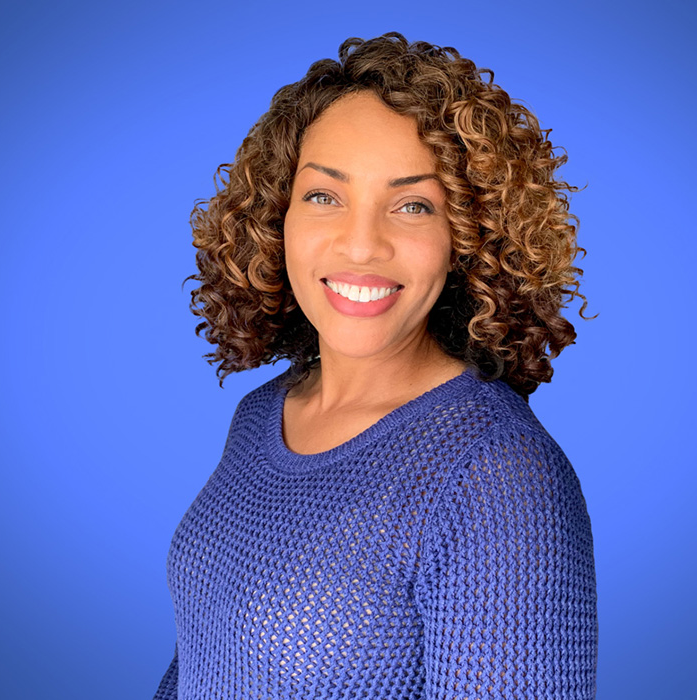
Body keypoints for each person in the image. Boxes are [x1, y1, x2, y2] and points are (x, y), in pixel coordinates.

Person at [154, 32, 597, 700]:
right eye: (324, 196)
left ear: (468, 240)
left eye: (413, 205)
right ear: (277, 217)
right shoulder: (260, 417)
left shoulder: (497, 476)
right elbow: (201, 661)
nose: (361, 244)